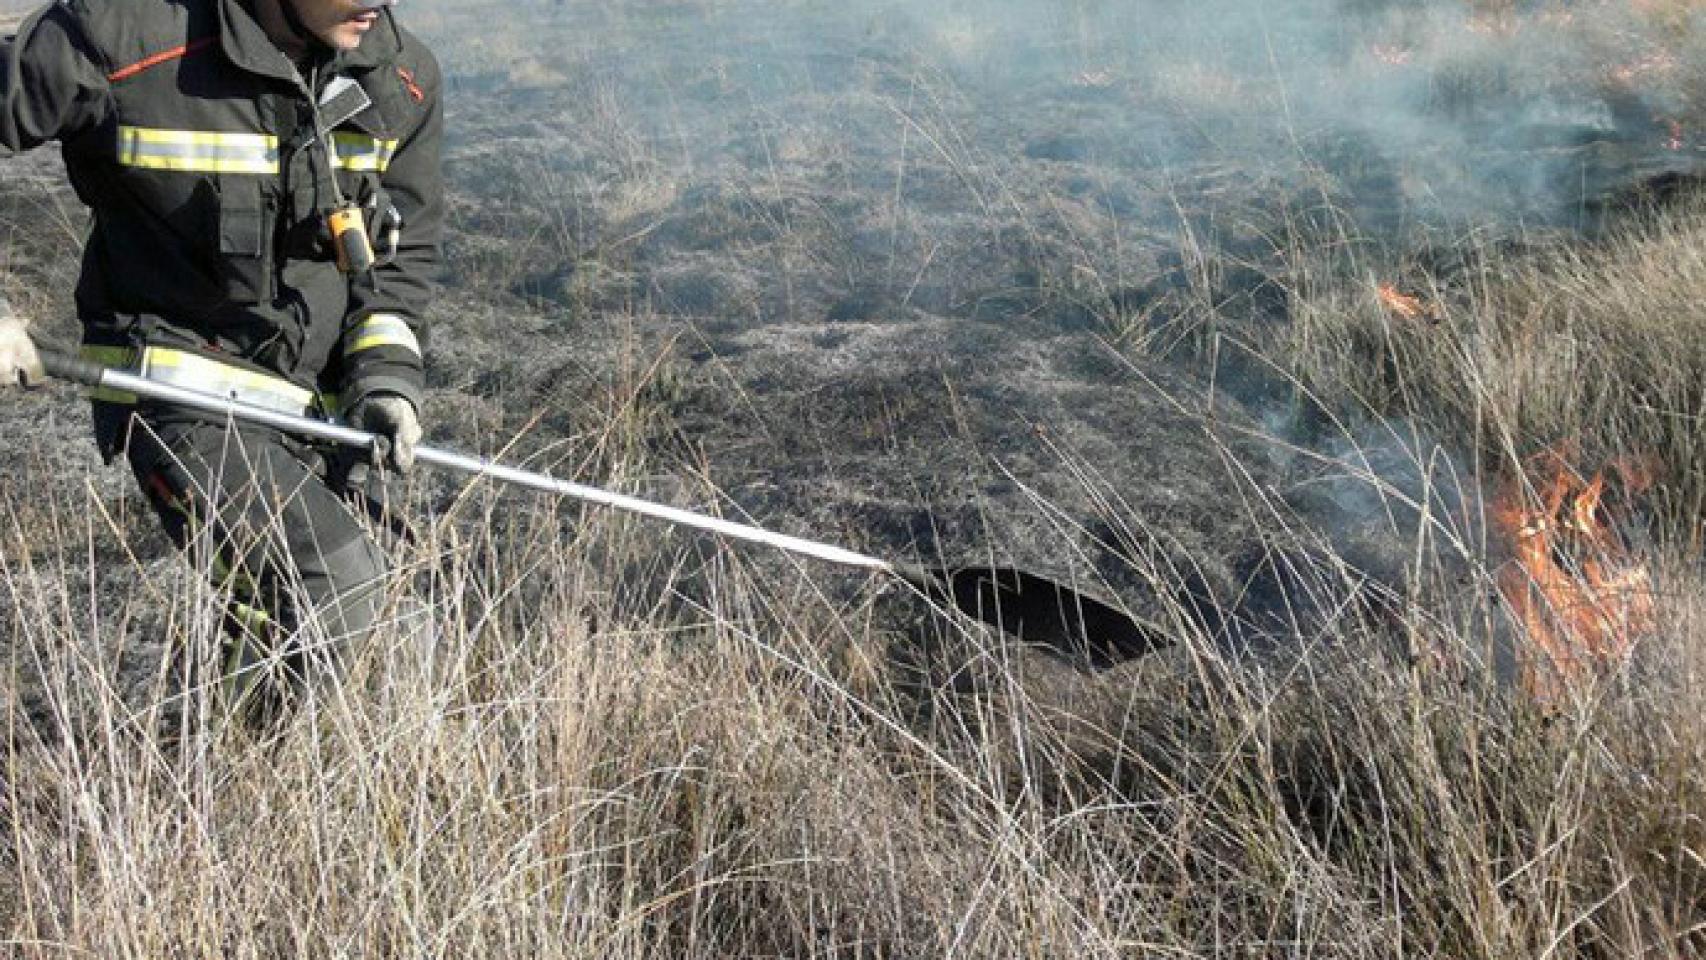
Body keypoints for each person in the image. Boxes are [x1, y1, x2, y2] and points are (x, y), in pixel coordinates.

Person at [0, 0, 443, 713]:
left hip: (313, 415)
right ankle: (258, 768)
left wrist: (386, 378)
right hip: (175, 391)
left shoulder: (403, 78)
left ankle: (208, 755)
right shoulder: (121, 37)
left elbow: (399, 261)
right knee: (333, 582)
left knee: (387, 617)